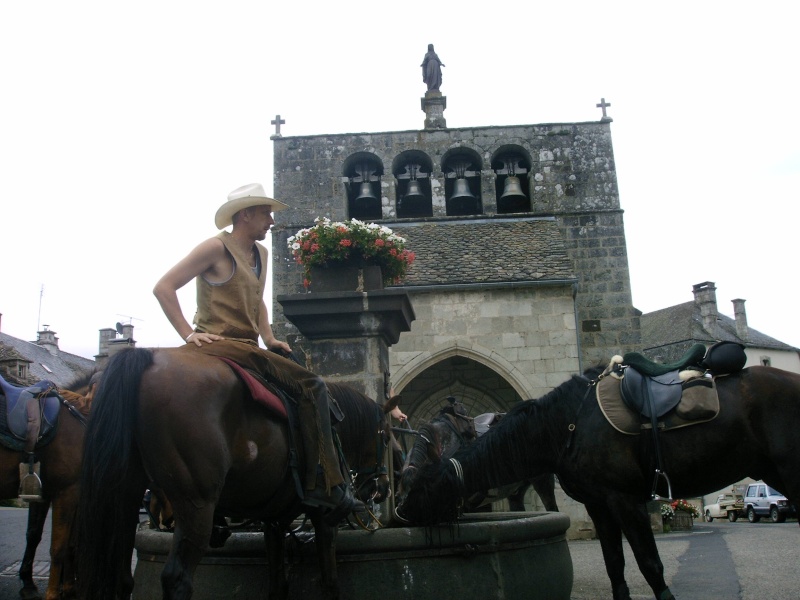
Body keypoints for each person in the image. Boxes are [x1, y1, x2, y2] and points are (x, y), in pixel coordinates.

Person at [153, 182, 363, 524]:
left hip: (250, 346)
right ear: (245, 214)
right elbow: (163, 287)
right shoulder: (214, 248)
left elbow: (258, 300)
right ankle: (326, 483)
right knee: (313, 386)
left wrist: (269, 336)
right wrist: (189, 335)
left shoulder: (261, 254)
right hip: (220, 343)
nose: (271, 220)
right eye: (265, 213)